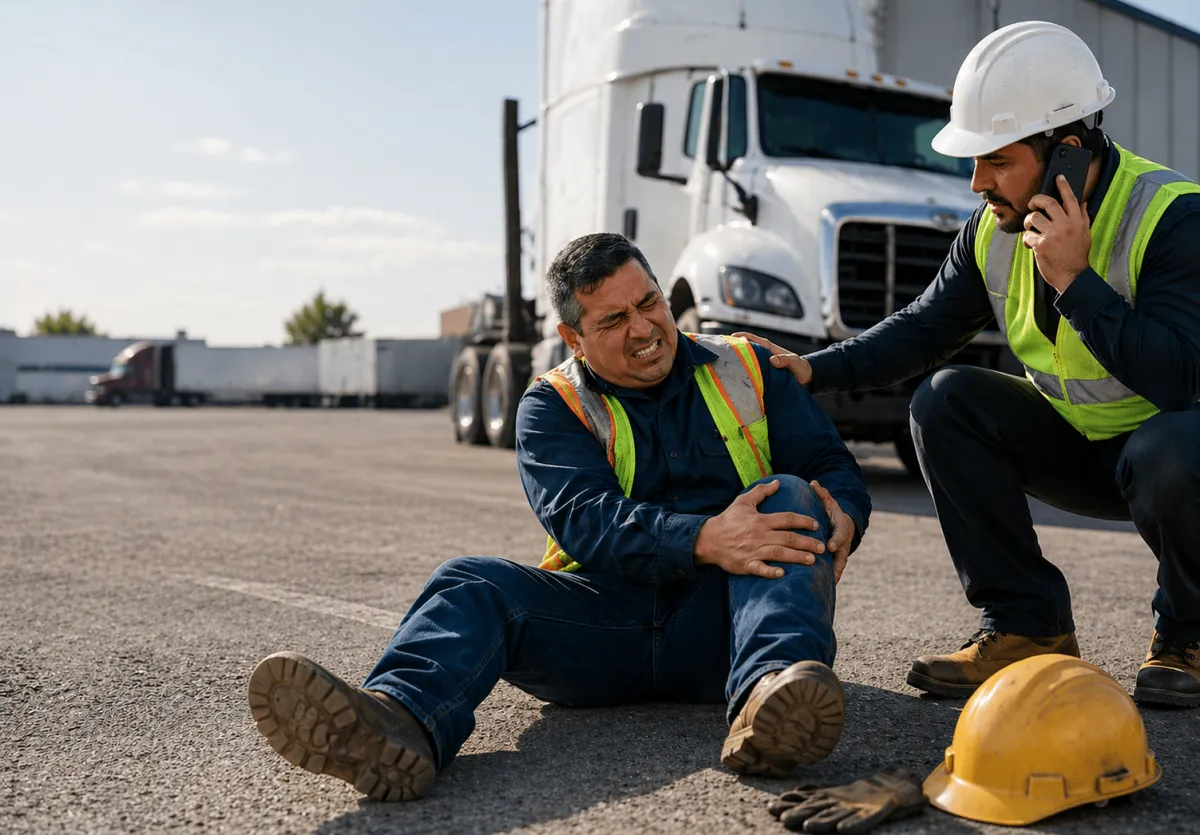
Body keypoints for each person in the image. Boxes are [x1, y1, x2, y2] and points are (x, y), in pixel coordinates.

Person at [246, 232, 872, 801]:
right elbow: (584, 520)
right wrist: (705, 537)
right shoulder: (551, 405)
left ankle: (770, 698)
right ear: (574, 338)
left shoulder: (750, 367)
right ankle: (398, 722)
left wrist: (844, 508)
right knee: (471, 581)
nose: (645, 327)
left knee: (794, 496)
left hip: (732, 627)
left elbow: (828, 460)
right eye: (615, 319)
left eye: (650, 302)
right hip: (600, 631)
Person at [739, 20, 1200, 708]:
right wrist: (815, 370)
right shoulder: (996, 229)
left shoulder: (1169, 215)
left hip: (1171, 456)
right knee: (945, 397)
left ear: (1066, 153)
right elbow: (924, 329)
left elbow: (1182, 379)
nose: (977, 181)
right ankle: (1026, 625)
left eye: (996, 160)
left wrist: (1076, 283)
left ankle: (1187, 635)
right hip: (1083, 450)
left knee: (1177, 444)